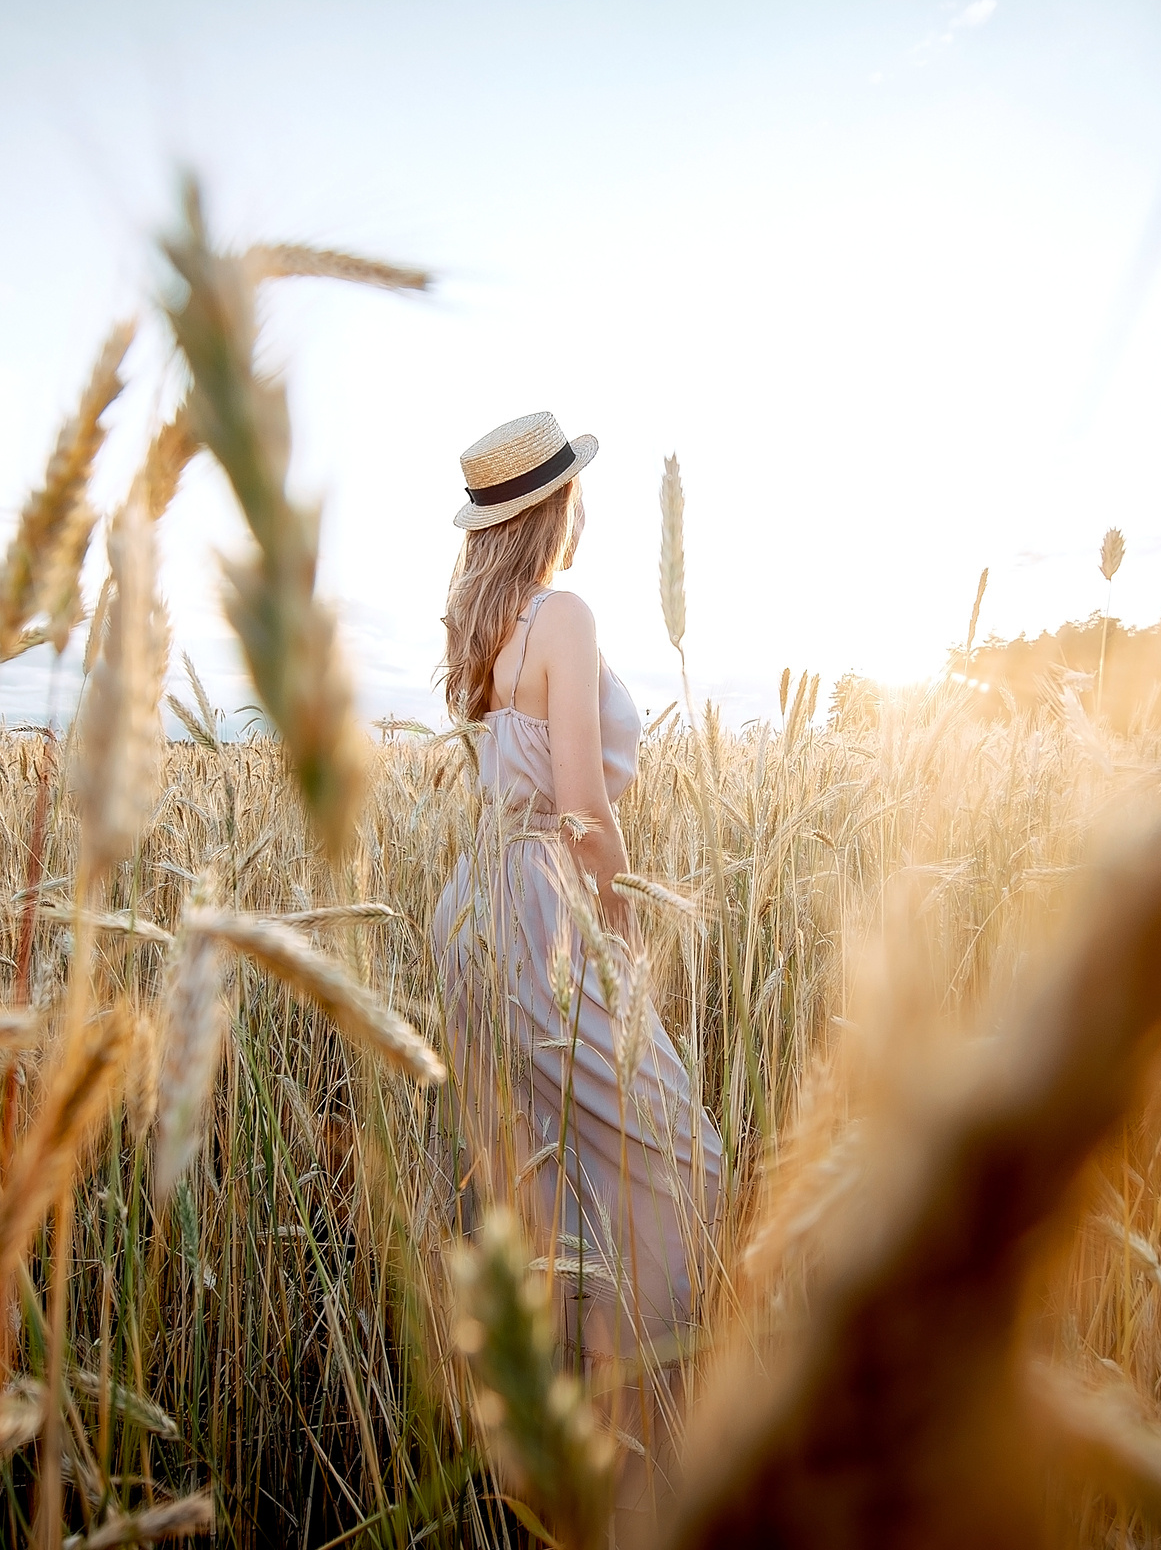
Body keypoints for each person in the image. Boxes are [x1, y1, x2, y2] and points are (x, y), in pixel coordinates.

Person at [429, 411, 725, 1532]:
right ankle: (642, 1462)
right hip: (546, 912)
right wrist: (625, 932)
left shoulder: (489, 625)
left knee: (544, 1179)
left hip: (478, 908)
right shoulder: (563, 612)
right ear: (562, 506)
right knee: (674, 1158)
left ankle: (564, 1452)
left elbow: (503, 786)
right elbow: (585, 812)